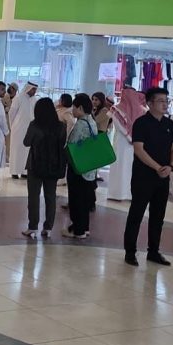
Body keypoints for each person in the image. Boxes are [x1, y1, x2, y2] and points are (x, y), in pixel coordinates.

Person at [124, 87, 173, 267]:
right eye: (161, 101)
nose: (165, 104)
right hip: (143, 176)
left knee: (158, 216)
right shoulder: (141, 123)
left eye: (166, 101)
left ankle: (153, 251)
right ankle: (130, 252)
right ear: (149, 103)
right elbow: (139, 150)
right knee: (136, 213)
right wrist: (157, 167)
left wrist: (171, 166)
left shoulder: (169, 124)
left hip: (163, 177)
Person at [21, 98, 67, 239]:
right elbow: (62, 143)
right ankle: (48, 228)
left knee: (33, 196)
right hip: (53, 165)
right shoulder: (61, 126)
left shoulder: (34, 125)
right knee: (51, 196)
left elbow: (26, 142)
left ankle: (32, 227)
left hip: (35, 165)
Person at [63, 93, 100, 239]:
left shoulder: (80, 124)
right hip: (89, 167)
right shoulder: (91, 121)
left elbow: (71, 144)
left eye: (74, 107)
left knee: (76, 198)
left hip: (78, 167)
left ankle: (78, 231)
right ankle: (84, 228)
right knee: (85, 199)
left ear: (80, 108)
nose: (72, 110)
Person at [107, 88, 146, 201]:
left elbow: (119, 126)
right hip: (135, 143)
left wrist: (129, 136)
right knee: (129, 168)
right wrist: (133, 137)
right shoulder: (142, 110)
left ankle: (117, 194)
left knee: (121, 167)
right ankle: (128, 194)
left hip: (122, 142)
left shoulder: (116, 109)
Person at [8, 82, 38, 179]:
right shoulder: (18, 98)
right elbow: (11, 113)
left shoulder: (34, 100)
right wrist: (13, 126)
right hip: (18, 129)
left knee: (27, 150)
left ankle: (25, 172)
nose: (34, 91)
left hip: (30, 130)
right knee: (16, 150)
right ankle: (14, 171)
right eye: (33, 89)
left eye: (35, 89)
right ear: (28, 88)